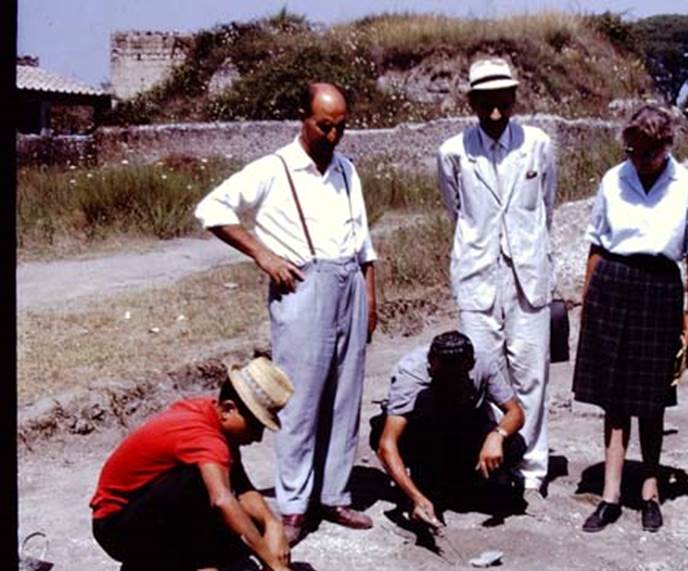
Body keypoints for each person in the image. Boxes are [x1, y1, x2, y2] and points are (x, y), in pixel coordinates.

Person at [195, 83, 377, 544]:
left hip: (350, 282)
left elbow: (363, 241)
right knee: (299, 398)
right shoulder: (274, 168)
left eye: (340, 127)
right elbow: (212, 209)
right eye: (324, 126)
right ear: (302, 117)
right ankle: (294, 505)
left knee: (345, 395)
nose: (332, 136)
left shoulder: (347, 170)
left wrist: (370, 298)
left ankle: (334, 495)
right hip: (303, 285)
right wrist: (263, 254)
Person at [90, 357, 307, 571]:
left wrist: (272, 525)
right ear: (228, 409)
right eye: (256, 425)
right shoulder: (204, 437)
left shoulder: (210, 414)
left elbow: (242, 486)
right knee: (205, 490)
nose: (257, 437)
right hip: (117, 529)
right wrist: (273, 565)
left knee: (244, 530)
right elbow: (222, 500)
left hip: (139, 518)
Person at [572, 105, 688, 533]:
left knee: (652, 398)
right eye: (632, 151)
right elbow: (597, 245)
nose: (640, 159)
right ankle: (611, 495)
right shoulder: (613, 179)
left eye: (649, 152)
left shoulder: (687, 186)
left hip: (659, 289)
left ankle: (650, 490)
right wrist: (588, 302)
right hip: (613, 284)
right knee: (614, 399)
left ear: (666, 146)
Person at [437, 57, 557, 492]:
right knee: (482, 369)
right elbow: (456, 211)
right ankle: (493, 458)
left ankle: (532, 467)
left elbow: (545, 205)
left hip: (527, 271)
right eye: (485, 103)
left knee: (531, 370)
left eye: (502, 102)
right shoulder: (454, 152)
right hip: (478, 271)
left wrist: (530, 250)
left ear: (514, 98)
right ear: (471, 102)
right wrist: (481, 247)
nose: (494, 113)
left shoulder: (537, 144)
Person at [373, 331, 527, 528]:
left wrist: (497, 436)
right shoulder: (411, 374)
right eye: (445, 375)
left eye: (458, 376)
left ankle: (465, 486)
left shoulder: (483, 362)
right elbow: (387, 444)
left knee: (514, 445)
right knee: (423, 402)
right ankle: (424, 489)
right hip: (422, 434)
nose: (452, 381)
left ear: (470, 364)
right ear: (431, 364)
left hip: (460, 428)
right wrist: (416, 497)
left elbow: (515, 412)